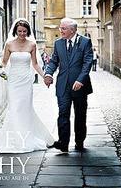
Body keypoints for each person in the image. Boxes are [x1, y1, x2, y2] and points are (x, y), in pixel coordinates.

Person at [0, 19, 54, 153]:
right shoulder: (9, 44)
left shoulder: (32, 45)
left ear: (28, 32)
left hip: (26, 81)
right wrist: (0, 68)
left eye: (24, 31)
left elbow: (35, 64)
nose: (22, 33)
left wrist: (44, 76)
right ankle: (13, 139)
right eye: (19, 31)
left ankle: (27, 138)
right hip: (13, 80)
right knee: (14, 108)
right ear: (15, 31)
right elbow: (4, 62)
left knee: (25, 108)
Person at [44, 18, 93, 152]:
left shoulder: (85, 42)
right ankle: (63, 143)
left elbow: (87, 63)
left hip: (80, 86)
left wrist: (80, 80)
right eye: (60, 28)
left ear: (73, 30)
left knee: (80, 115)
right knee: (63, 113)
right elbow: (54, 61)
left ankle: (79, 142)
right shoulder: (58, 43)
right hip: (63, 85)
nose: (61, 30)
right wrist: (48, 74)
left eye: (63, 28)